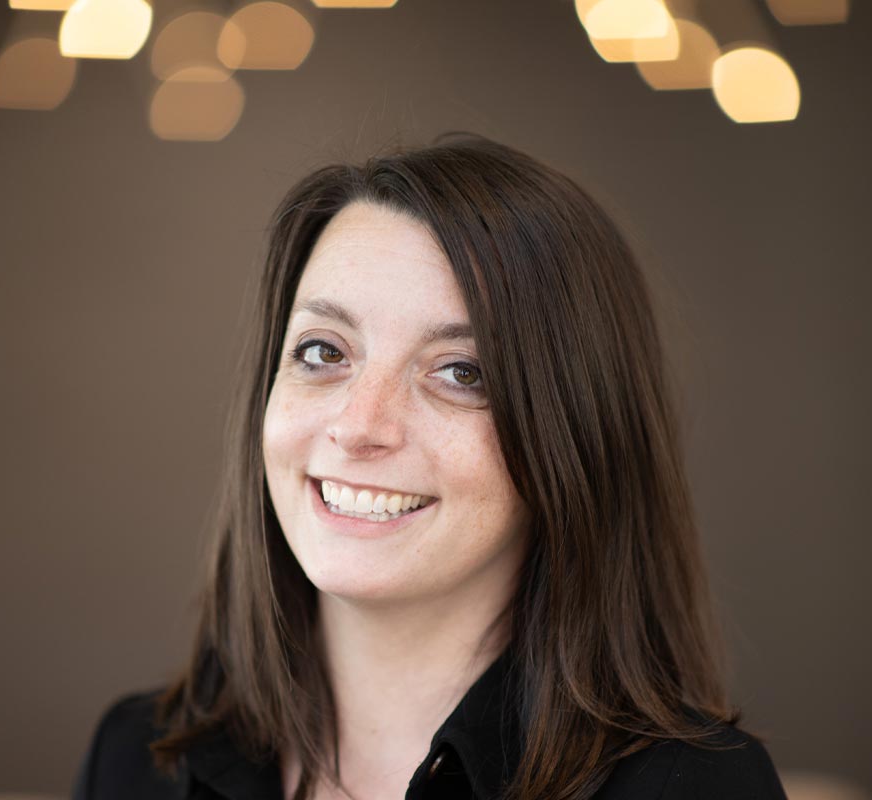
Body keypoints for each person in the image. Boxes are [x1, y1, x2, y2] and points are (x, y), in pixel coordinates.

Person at [73, 135, 788, 800]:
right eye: (324, 351)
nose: (360, 426)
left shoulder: (693, 787)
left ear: (574, 434)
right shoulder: (134, 759)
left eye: (460, 371)